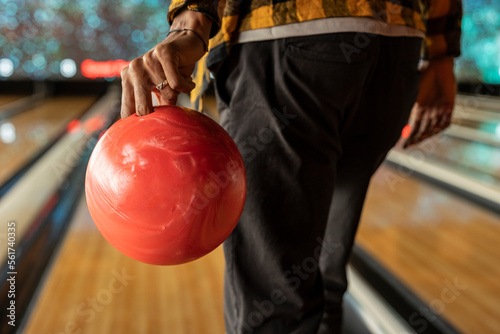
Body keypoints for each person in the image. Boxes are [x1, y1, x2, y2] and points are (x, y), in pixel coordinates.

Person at [120, 1, 462, 333]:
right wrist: (442, 54)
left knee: (273, 305)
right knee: (325, 275)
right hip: (395, 50)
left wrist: (191, 22)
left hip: (287, 35)